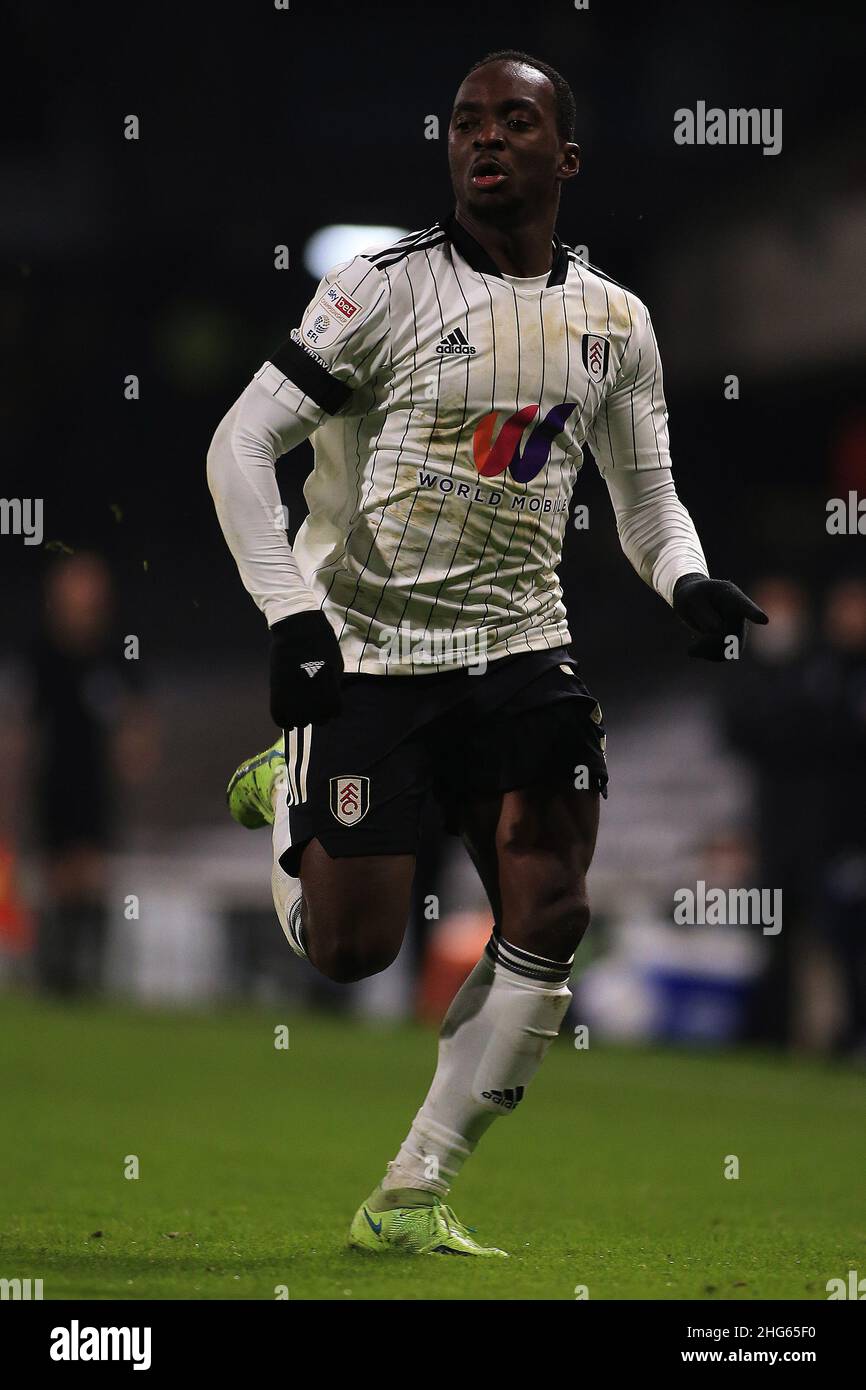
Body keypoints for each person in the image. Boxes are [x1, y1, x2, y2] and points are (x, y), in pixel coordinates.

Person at [207, 50, 766, 1256]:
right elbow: (237, 447)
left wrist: (686, 581)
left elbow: (646, 497)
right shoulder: (375, 293)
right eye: (466, 123)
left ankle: (414, 1184)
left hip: (521, 645)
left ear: (564, 156)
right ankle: (291, 778)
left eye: (515, 122)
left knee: (550, 900)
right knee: (353, 952)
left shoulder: (614, 321)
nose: (485, 140)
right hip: (368, 642)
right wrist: (291, 618)